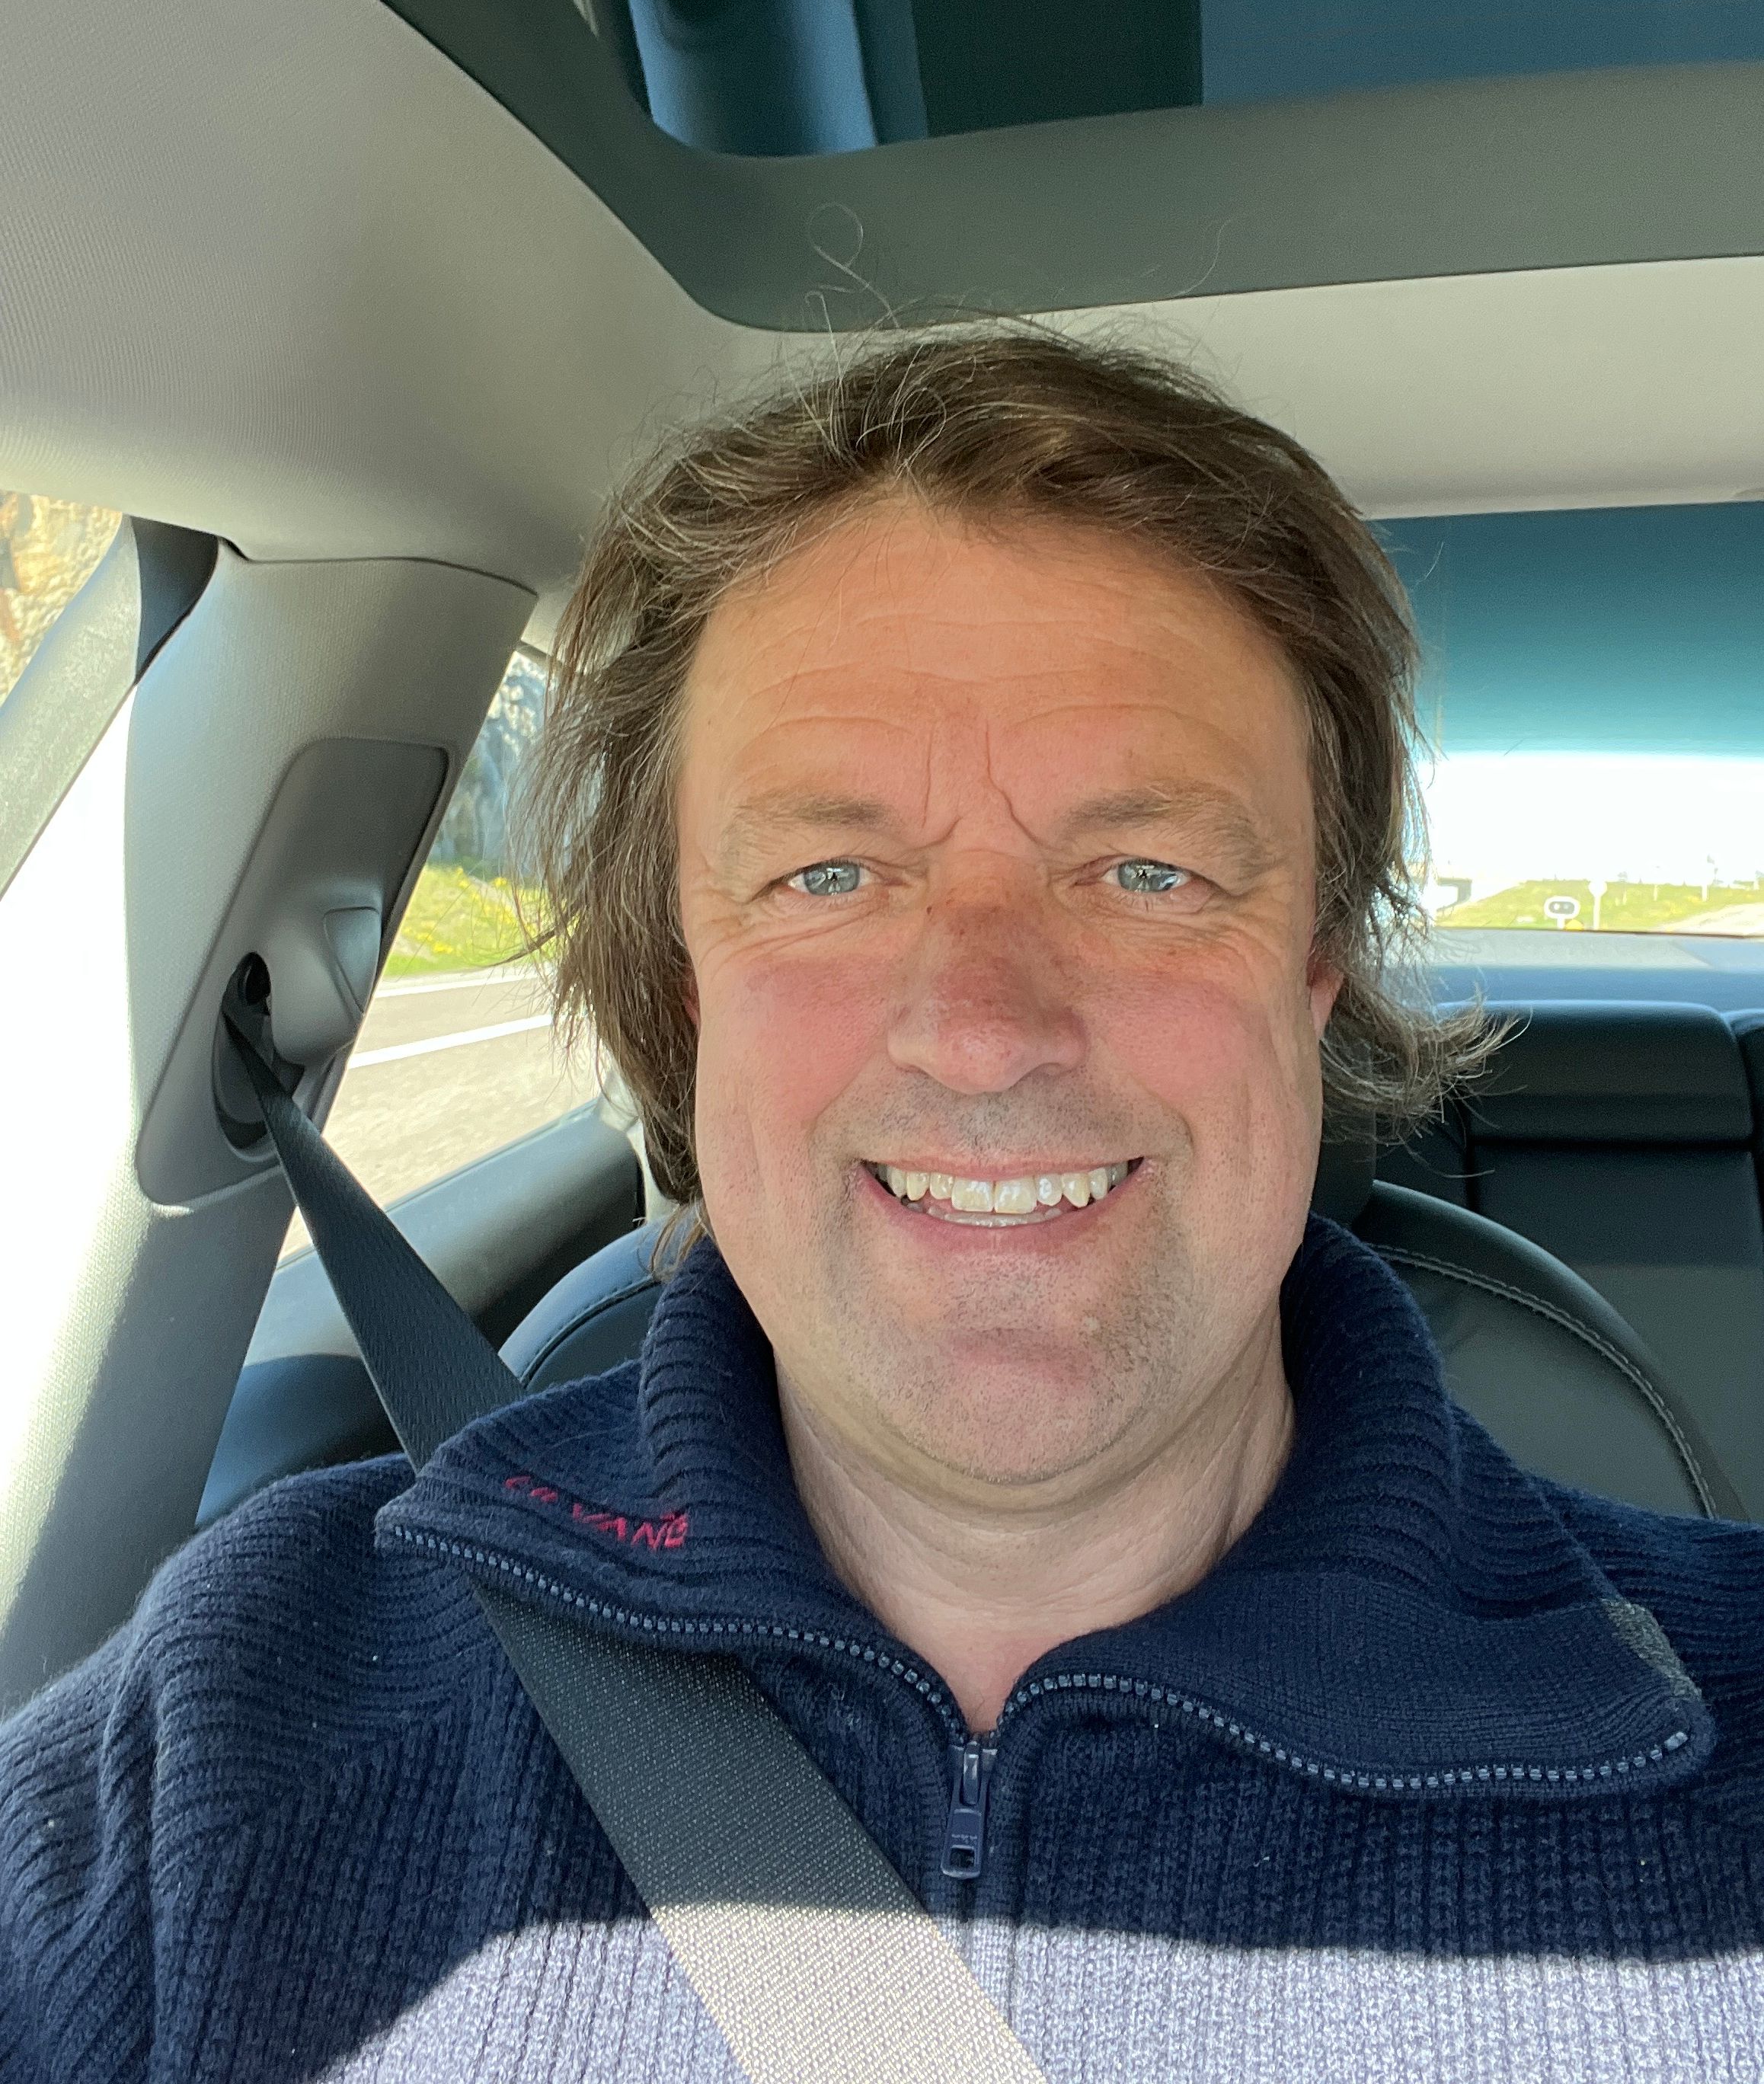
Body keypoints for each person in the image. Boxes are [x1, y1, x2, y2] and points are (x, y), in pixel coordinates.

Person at [3, 332, 1762, 2080]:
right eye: (828, 873)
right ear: (689, 992)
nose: (985, 1029)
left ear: (1311, 979)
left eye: (1145, 870)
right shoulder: (235, 1717)